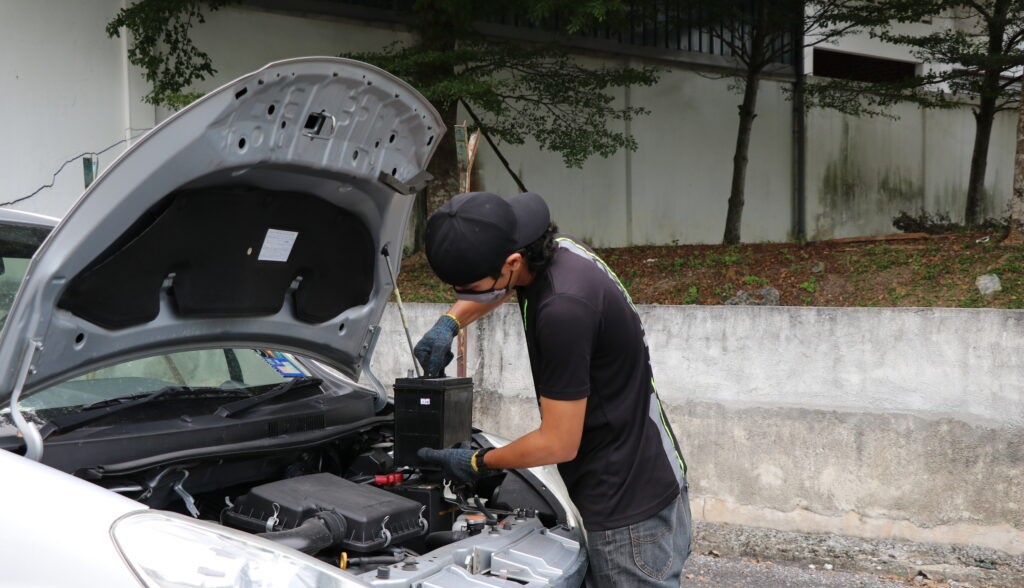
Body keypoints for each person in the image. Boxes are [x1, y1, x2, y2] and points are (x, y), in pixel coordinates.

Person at [414, 191, 691, 587]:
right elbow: (500, 286)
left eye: (470, 287)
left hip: (627, 512)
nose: (466, 297)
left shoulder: (562, 310)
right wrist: (451, 322)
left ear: (512, 261)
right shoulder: (555, 251)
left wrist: (480, 462)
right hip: (652, 467)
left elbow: (558, 442)